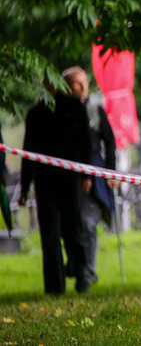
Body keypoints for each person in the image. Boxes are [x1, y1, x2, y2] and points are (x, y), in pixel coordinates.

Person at [18, 73, 92, 294]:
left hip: (70, 179)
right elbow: (28, 152)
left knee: (73, 229)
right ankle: (55, 286)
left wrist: (87, 175)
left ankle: (81, 275)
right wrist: (25, 185)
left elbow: (85, 144)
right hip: (45, 181)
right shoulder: (35, 114)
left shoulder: (75, 108)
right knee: (50, 233)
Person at [63, 67, 117, 288]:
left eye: (85, 82)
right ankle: (76, 263)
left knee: (88, 223)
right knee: (71, 225)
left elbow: (110, 142)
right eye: (78, 83)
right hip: (68, 174)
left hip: (94, 172)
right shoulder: (62, 111)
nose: (84, 87)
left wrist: (111, 173)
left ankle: (88, 270)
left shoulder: (95, 110)